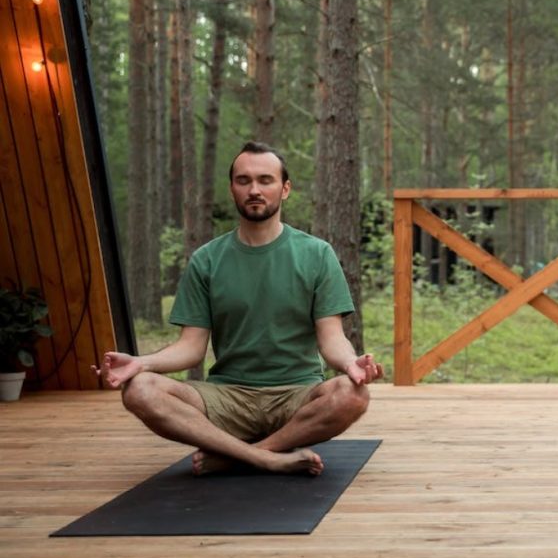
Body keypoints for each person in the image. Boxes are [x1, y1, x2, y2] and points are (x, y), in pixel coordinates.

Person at [93, 141, 382, 476]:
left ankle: (246, 454)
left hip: (296, 396)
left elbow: (331, 338)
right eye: (244, 181)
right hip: (226, 398)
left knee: (353, 395)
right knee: (140, 389)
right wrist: (141, 363)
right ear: (232, 189)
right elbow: (191, 348)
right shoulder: (207, 260)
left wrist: (352, 363)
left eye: (265, 180)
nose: (254, 190)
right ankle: (267, 459)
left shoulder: (317, 254)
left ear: (284, 189)